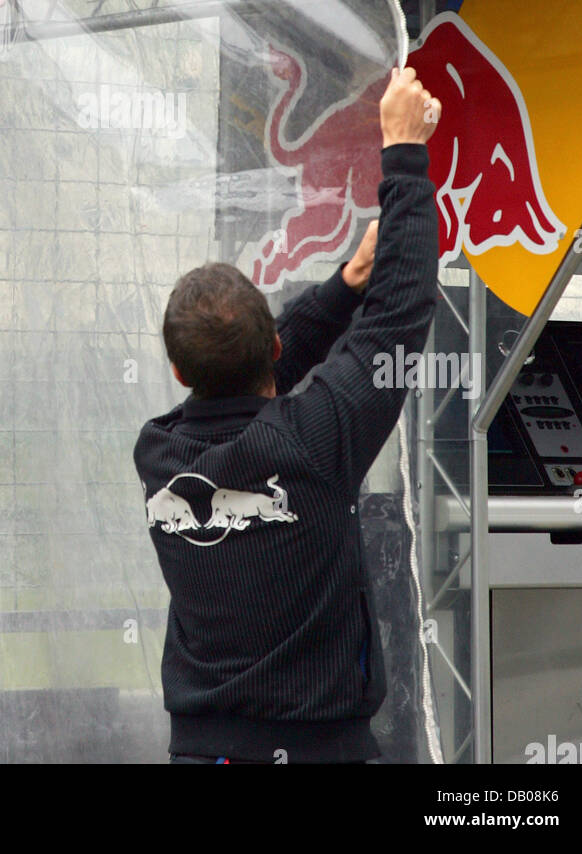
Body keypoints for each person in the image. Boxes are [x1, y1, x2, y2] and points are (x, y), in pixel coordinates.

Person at [134, 65, 440, 763]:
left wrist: (341, 286)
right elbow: (397, 316)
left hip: (201, 751)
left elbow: (371, 322)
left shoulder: (156, 451)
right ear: (272, 347)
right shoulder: (306, 443)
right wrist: (402, 153)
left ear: (179, 373)